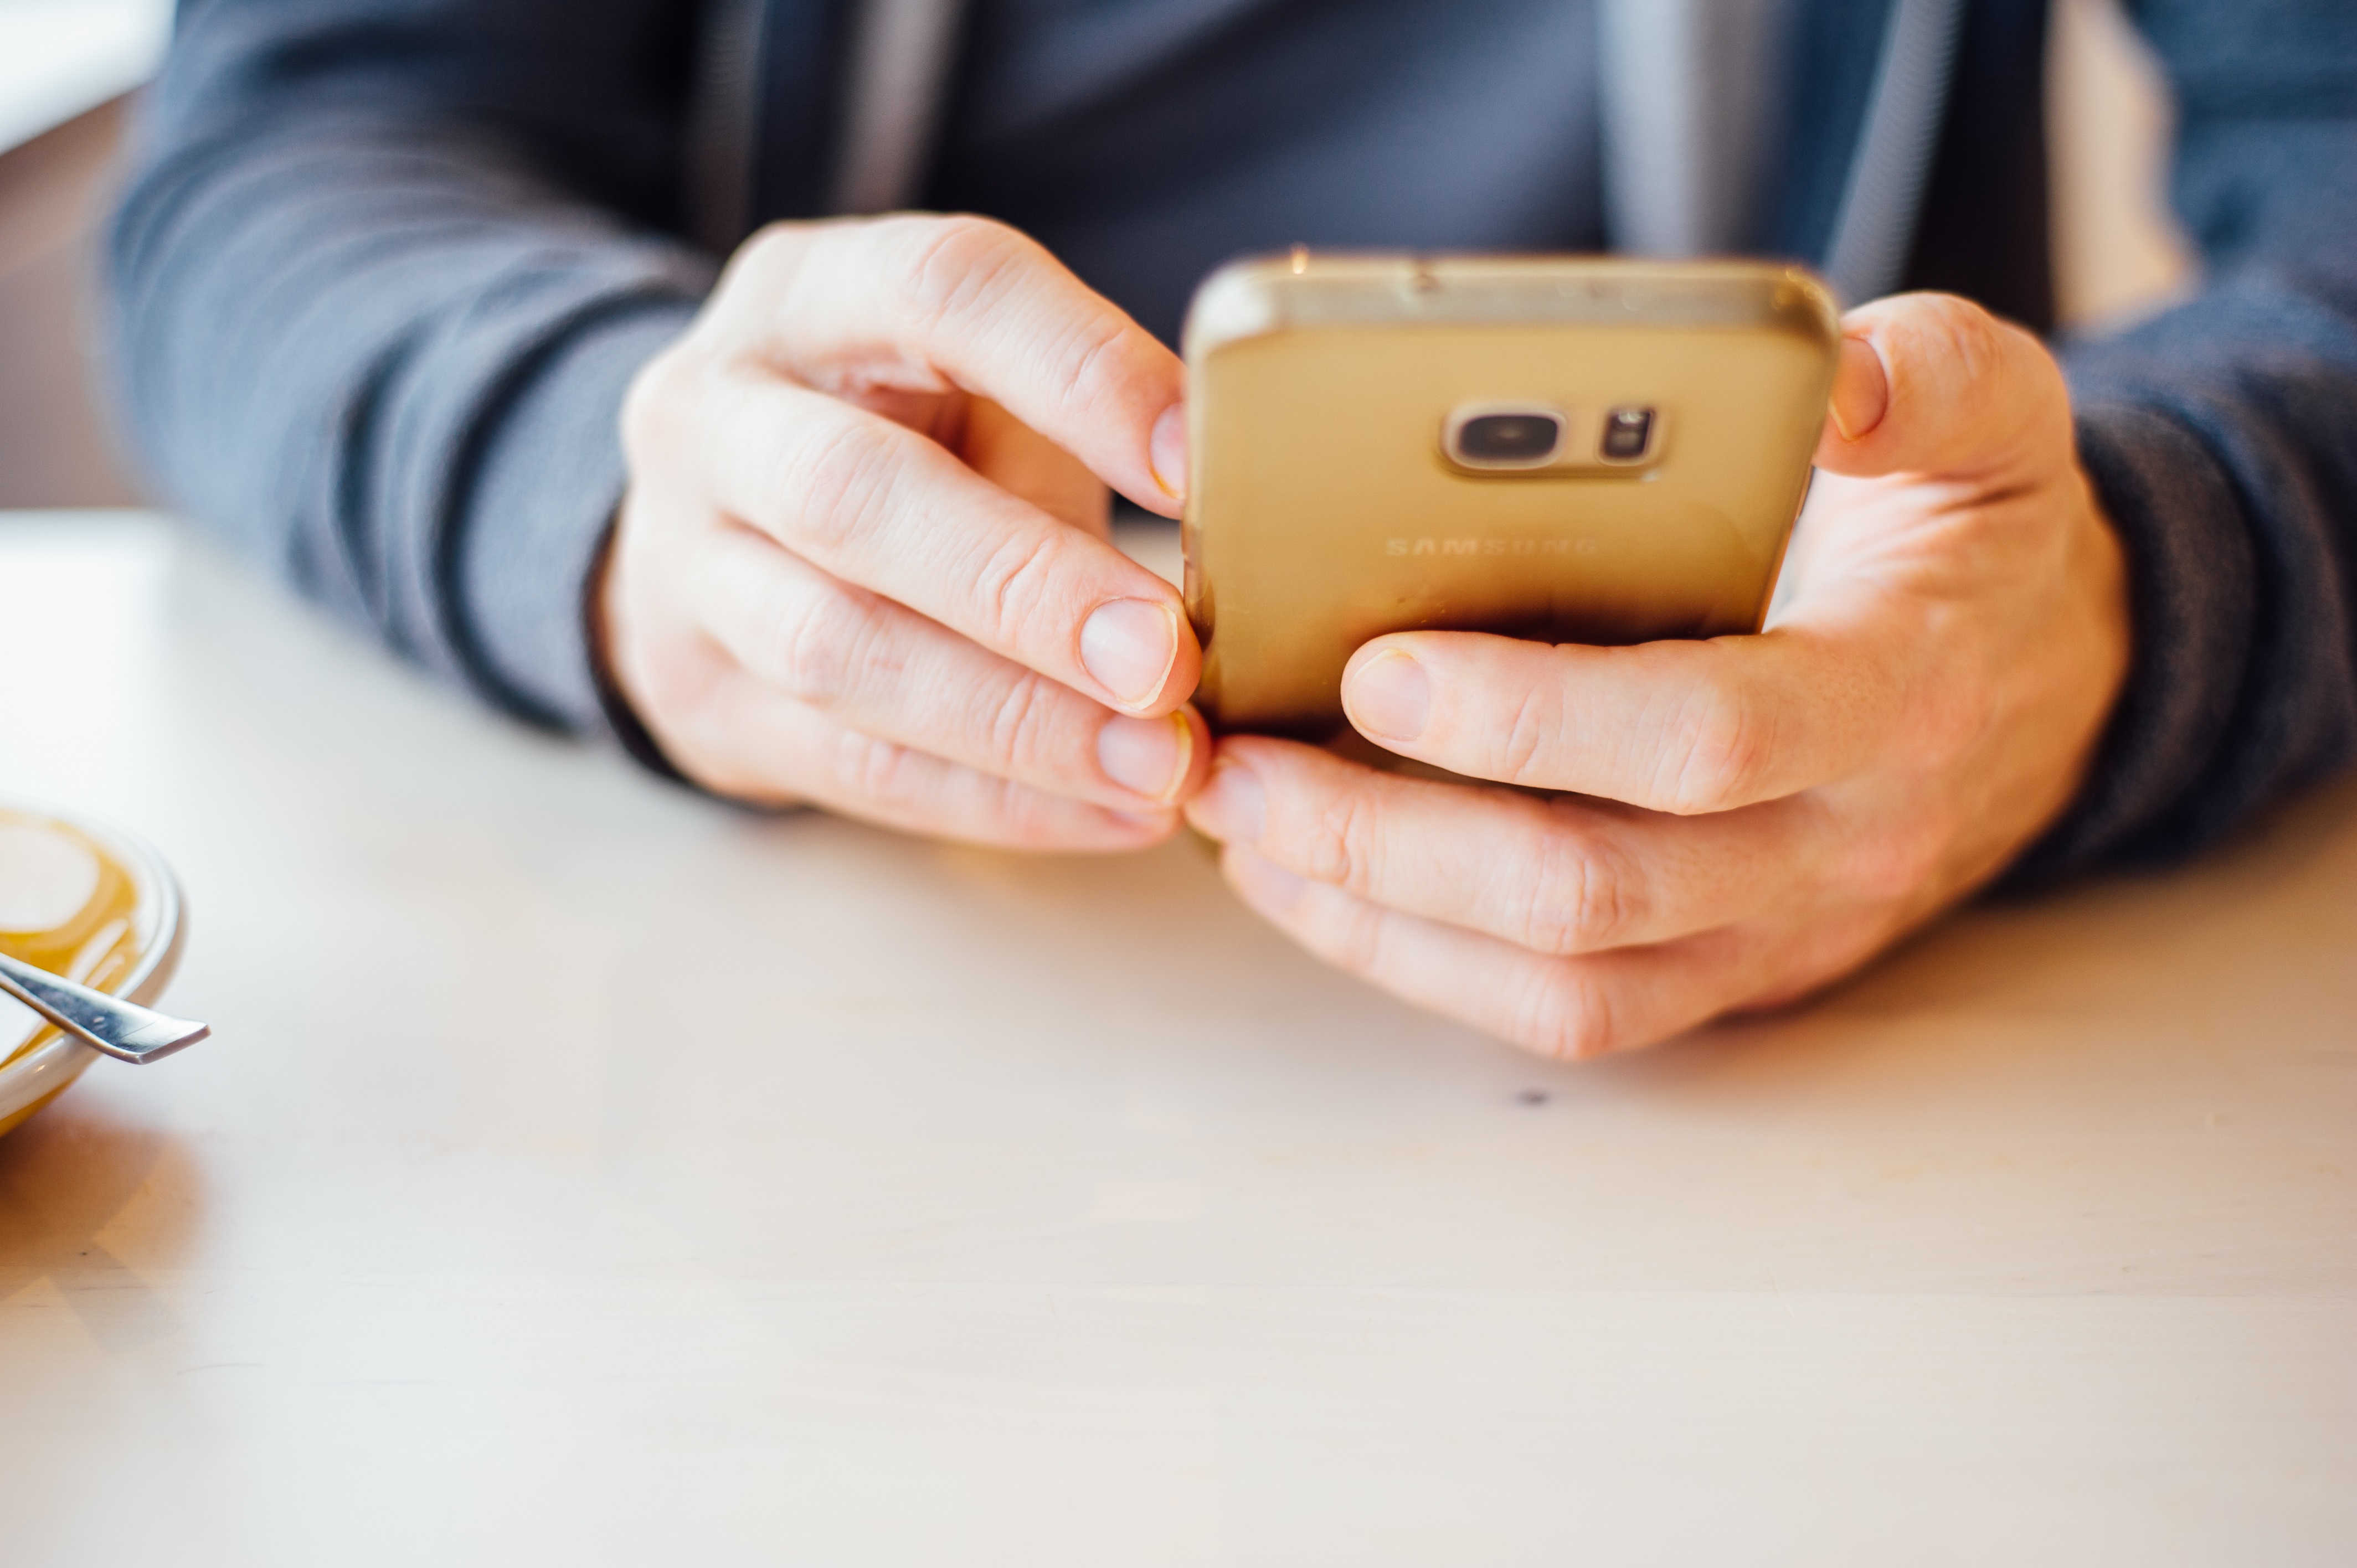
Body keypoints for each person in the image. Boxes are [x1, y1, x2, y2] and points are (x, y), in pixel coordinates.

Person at [107, 1, 2356, 1056]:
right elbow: (282, 163)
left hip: (1901, 1041)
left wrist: (2130, 591)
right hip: (814, 1025)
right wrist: (627, 492)